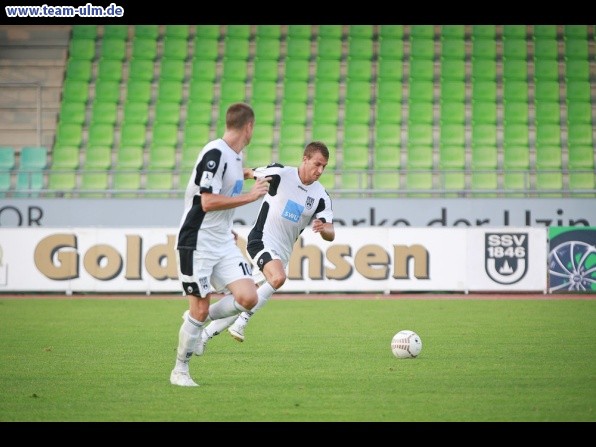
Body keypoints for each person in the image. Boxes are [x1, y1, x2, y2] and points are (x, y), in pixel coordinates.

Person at [193, 141, 335, 356]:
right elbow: (248, 172)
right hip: (261, 240)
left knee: (245, 299)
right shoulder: (280, 174)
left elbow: (331, 233)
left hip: (282, 253)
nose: (320, 171)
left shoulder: (321, 196)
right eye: (317, 164)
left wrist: (324, 229)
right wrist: (217, 184)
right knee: (278, 278)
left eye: (324, 166)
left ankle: (202, 332)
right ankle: (242, 322)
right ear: (305, 159)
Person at [170, 102, 271, 387]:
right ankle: (180, 370)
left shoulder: (236, 157)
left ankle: (196, 320)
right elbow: (207, 200)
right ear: (248, 127)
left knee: (248, 296)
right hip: (197, 240)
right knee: (200, 309)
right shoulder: (214, 152)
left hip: (222, 240)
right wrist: (251, 197)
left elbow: (229, 178)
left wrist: (251, 173)